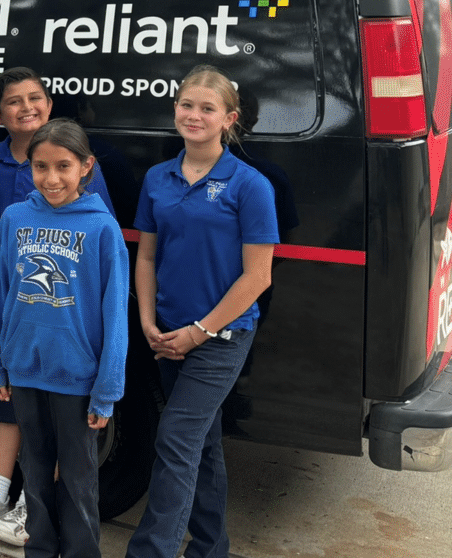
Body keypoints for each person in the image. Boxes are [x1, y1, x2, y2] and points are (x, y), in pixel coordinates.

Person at [0, 66, 116, 542]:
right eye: (13, 101)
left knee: (63, 432)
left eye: (35, 97)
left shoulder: (84, 188)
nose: (26, 108)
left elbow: (101, 266)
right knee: (6, 404)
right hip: (6, 302)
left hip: (65, 326)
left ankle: (29, 508)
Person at [125, 65, 278, 558]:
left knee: (175, 440)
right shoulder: (157, 177)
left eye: (207, 108)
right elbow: (146, 256)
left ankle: (152, 552)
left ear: (228, 119)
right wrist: (148, 321)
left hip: (221, 338)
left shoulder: (250, 186)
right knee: (201, 445)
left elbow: (258, 276)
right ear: (175, 111)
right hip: (167, 334)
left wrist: (199, 331)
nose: (195, 115)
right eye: (187, 105)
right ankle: (211, 548)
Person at [0, 119, 129, 558]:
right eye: (41, 167)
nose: (51, 179)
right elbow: (0, 292)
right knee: (33, 470)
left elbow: (115, 314)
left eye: (63, 167)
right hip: (25, 370)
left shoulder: (102, 229)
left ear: (86, 167)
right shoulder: (15, 218)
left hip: (77, 379)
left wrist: (107, 389)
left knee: (79, 479)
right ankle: (40, 549)